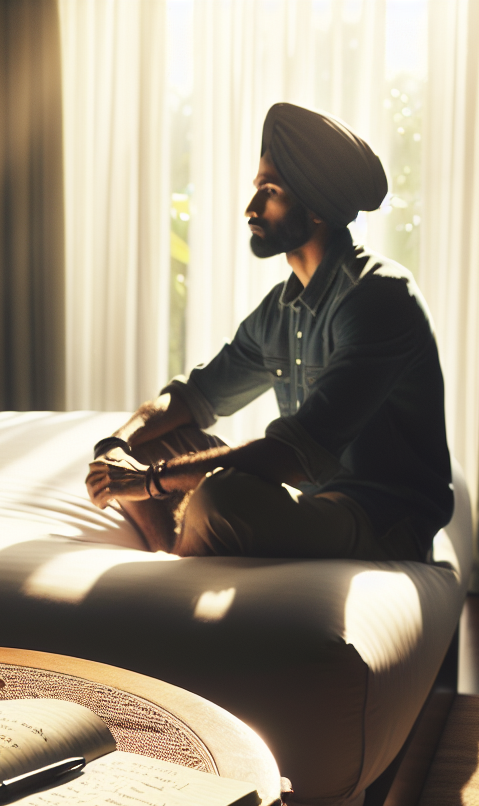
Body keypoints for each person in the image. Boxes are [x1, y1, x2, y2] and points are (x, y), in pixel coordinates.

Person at [86, 102, 453, 562]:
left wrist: (150, 482)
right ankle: (176, 560)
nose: (251, 208)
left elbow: (293, 454)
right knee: (152, 442)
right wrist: (116, 445)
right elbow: (194, 396)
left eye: (270, 191)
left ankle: (174, 567)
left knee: (220, 499)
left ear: (316, 208)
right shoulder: (281, 308)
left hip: (381, 520)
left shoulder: (379, 297)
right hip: (317, 504)